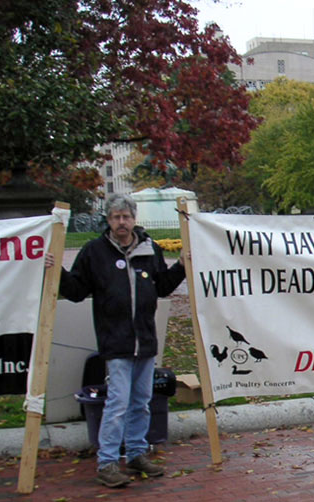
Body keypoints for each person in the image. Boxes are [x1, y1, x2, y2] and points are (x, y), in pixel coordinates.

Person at [47, 194, 186, 487]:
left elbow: (161, 287)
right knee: (117, 404)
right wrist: (55, 271)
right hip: (116, 342)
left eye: (126, 216)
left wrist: (182, 265)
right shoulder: (94, 252)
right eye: (115, 217)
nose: (121, 222)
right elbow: (75, 290)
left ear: (134, 219)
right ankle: (108, 462)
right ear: (107, 220)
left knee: (142, 403)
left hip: (145, 342)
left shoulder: (150, 250)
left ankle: (136, 452)